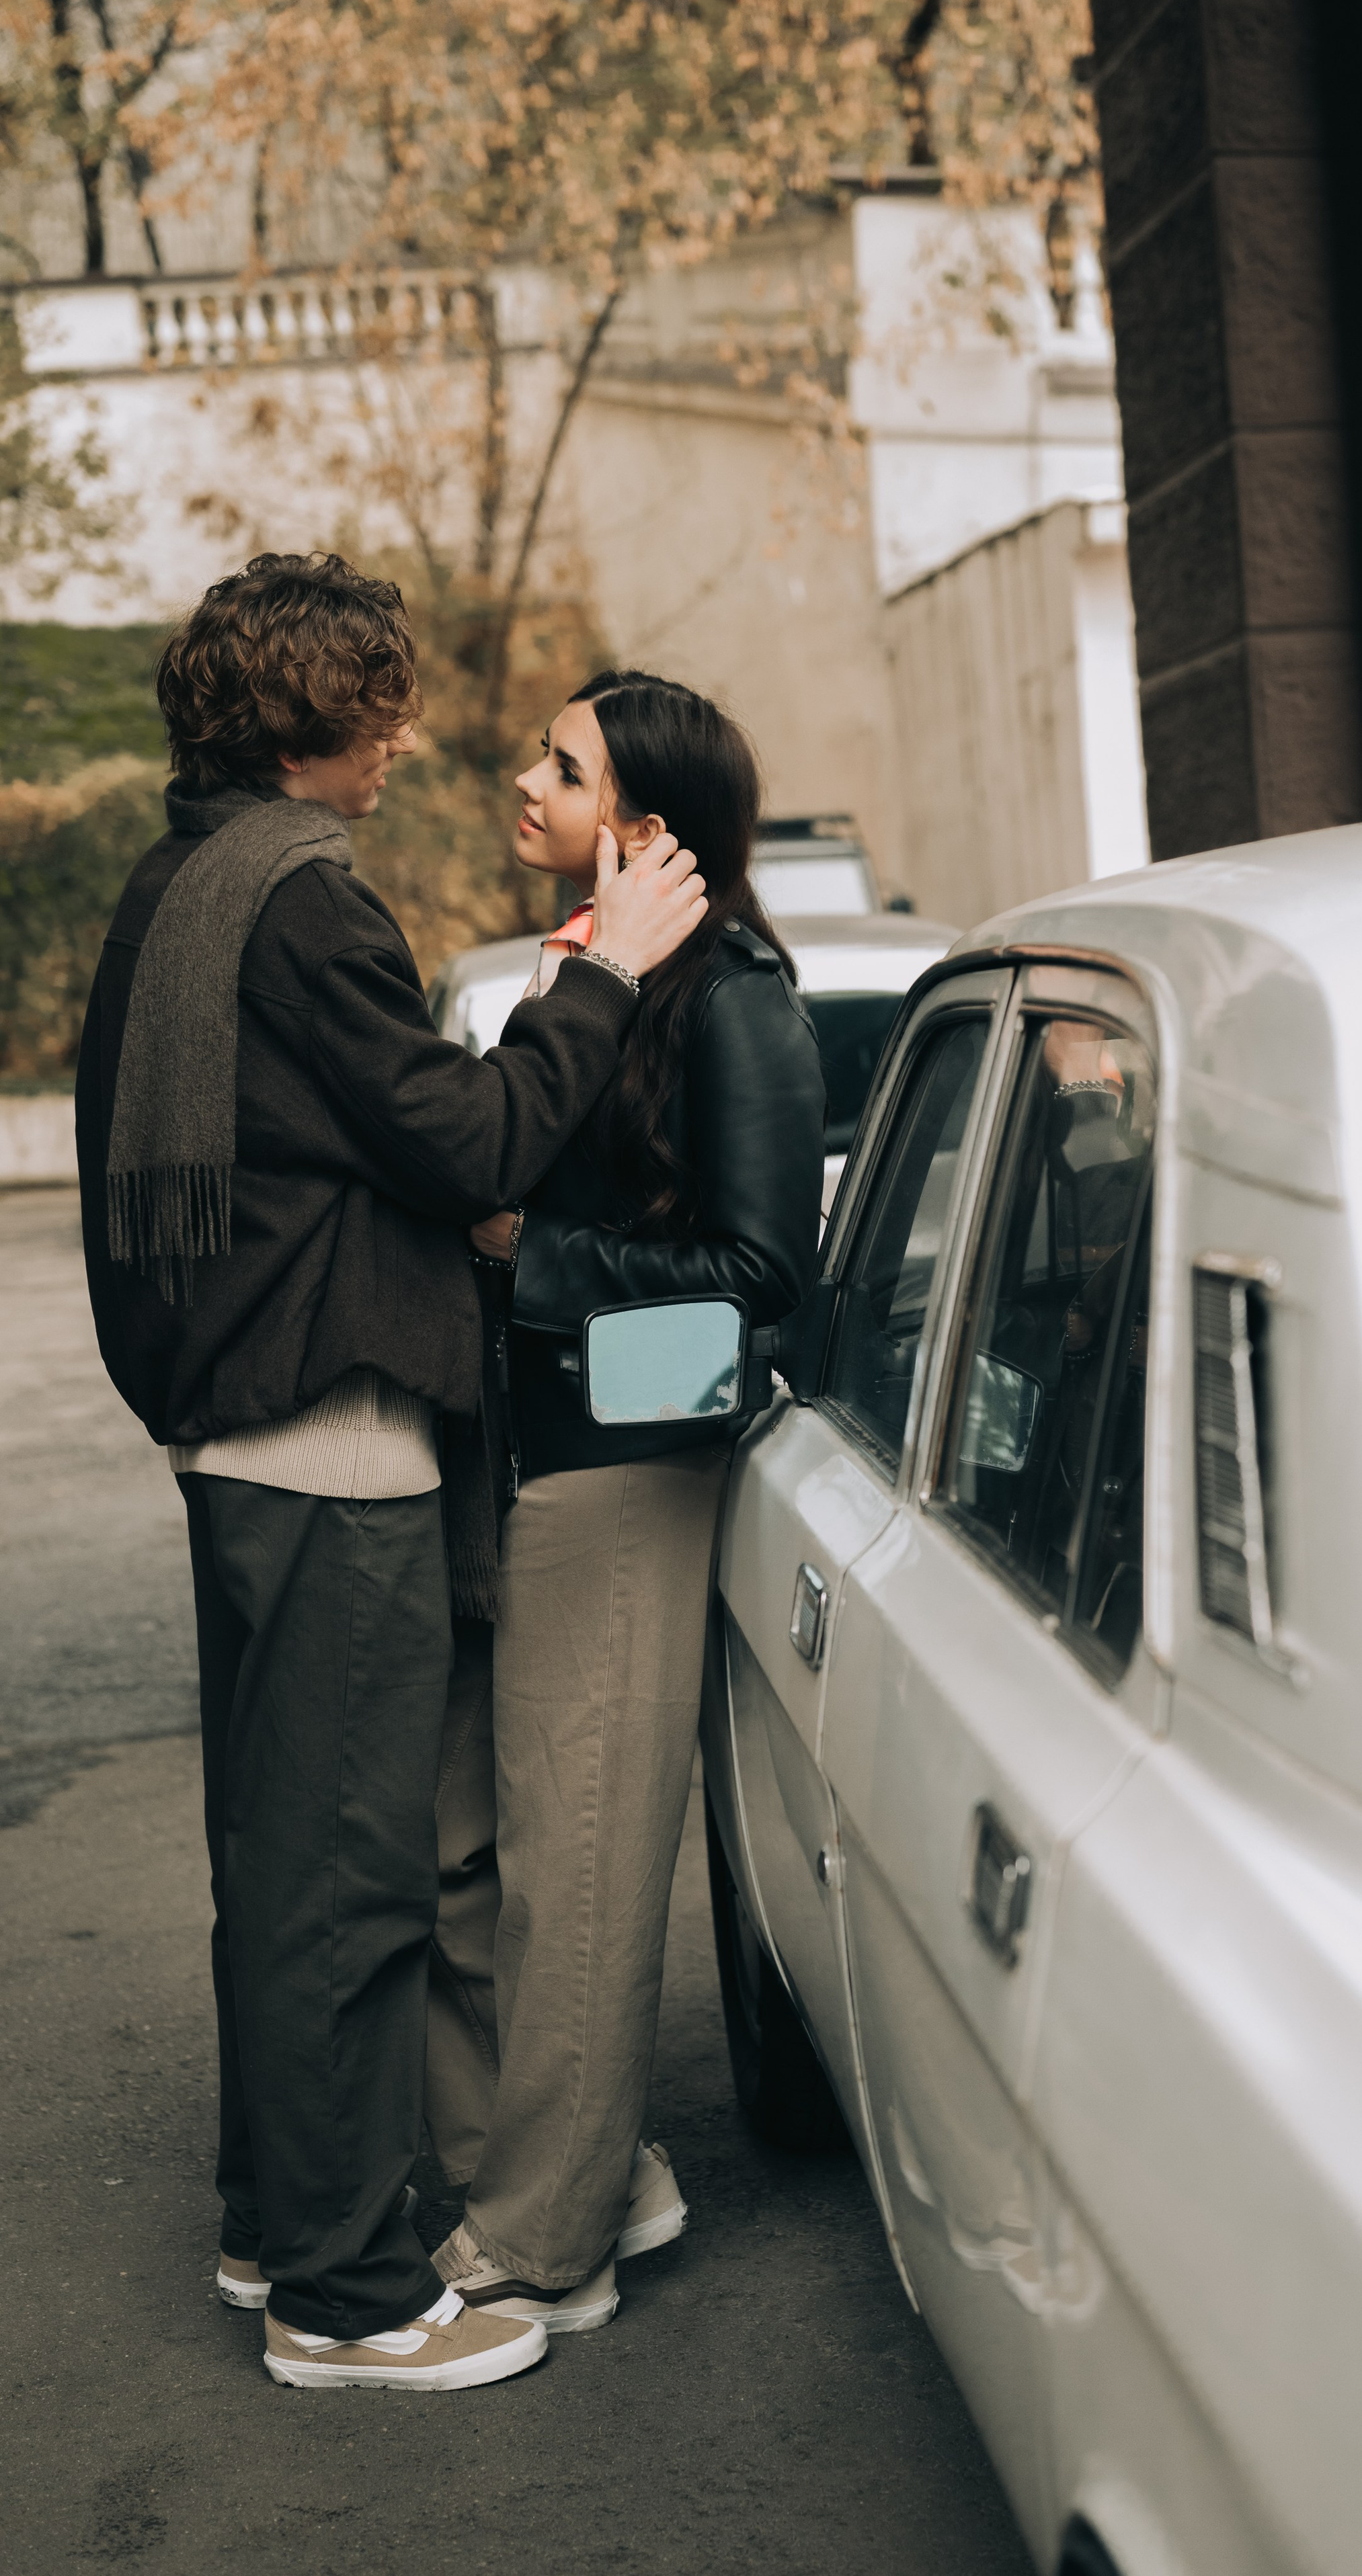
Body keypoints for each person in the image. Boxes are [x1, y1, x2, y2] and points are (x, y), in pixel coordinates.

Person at [75, 563, 708, 2393]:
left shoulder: (183, 880)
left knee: (276, 1858)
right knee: (352, 1875)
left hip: (236, 1427)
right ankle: (348, 2298)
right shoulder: (303, 900)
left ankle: (273, 2219)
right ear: (308, 720)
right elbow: (470, 1138)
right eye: (385, 706)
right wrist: (603, 976)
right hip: (330, 1436)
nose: (410, 738)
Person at [424, 671, 826, 2331]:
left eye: (563, 767)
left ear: (643, 827)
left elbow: (761, 1278)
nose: (527, 781)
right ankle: (594, 2172)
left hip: (624, 1470)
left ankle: (544, 2242)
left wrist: (532, 1257)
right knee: (475, 1857)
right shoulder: (589, 975)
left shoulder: (734, 996)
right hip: (513, 1467)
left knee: (577, 1867)